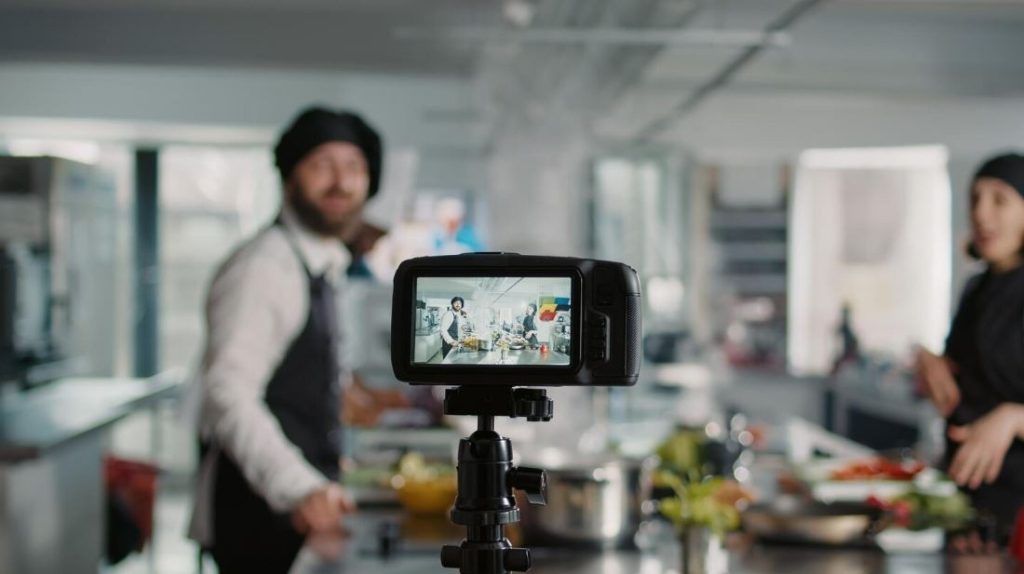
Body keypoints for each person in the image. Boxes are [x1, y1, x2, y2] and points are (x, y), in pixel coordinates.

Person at [187, 106, 403, 573]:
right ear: (289, 178)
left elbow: (294, 369)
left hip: (301, 507)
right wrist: (298, 486)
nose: (341, 183)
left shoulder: (319, 260)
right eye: (322, 165)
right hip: (260, 513)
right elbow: (227, 393)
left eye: (354, 168)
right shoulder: (265, 266)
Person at [916, 152, 1024, 543]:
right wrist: (929, 363)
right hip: (967, 504)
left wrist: (1014, 417)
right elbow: (962, 380)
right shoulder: (975, 288)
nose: (981, 214)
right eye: (975, 198)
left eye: (999, 199)